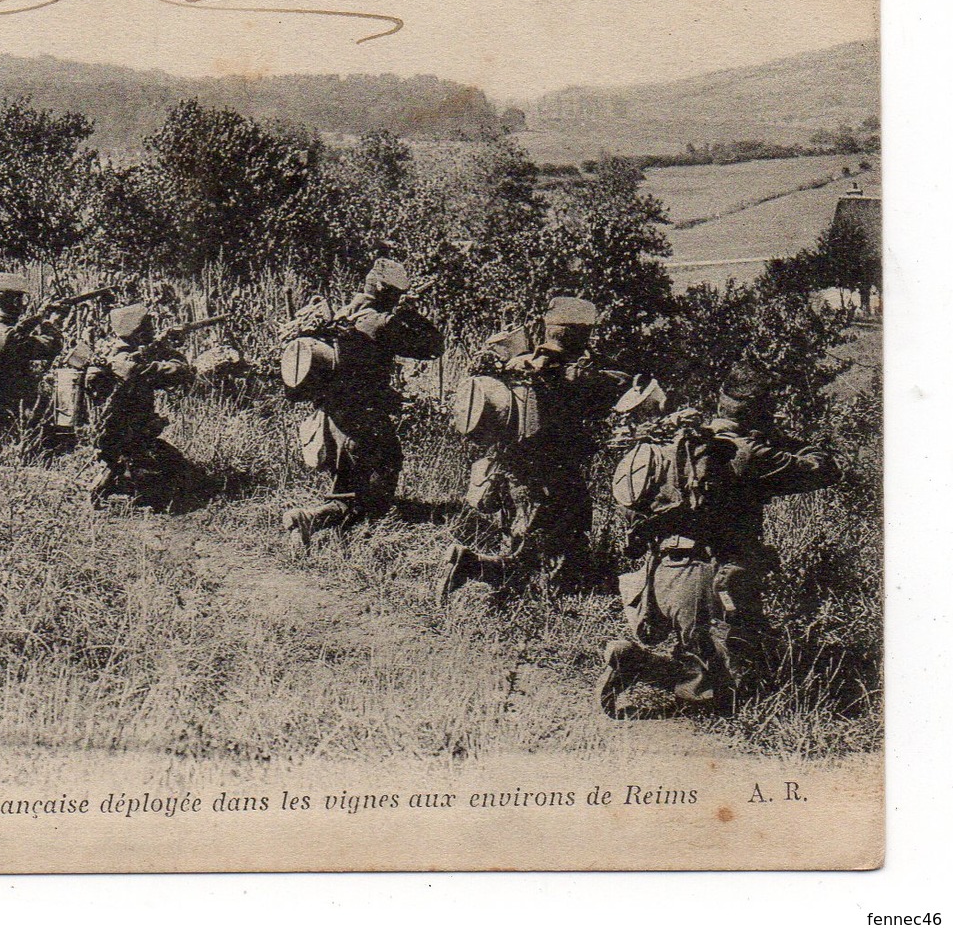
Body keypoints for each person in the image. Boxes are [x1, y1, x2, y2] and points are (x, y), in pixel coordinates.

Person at [597, 362, 840, 716]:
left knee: (720, 661)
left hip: (661, 574)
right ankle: (635, 662)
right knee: (726, 698)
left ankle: (654, 664)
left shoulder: (680, 440)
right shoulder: (747, 453)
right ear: (762, 412)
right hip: (710, 579)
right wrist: (784, 440)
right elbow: (824, 469)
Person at [440, 296, 631, 597]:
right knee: (545, 565)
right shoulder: (570, 375)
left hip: (513, 474)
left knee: (530, 547)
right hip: (552, 482)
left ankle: (486, 572)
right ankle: (471, 565)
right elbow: (621, 386)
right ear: (578, 335)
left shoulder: (518, 366)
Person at [280, 259, 444, 546]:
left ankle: (320, 530)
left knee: (348, 489)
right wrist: (410, 315)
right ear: (385, 290)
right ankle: (313, 520)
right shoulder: (380, 322)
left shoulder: (344, 315)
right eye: (395, 294)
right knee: (375, 494)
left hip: (333, 419)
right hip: (366, 420)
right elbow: (433, 347)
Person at [87, 303, 196, 507]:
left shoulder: (115, 351)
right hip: (125, 438)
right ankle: (116, 477)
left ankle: (118, 473)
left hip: (124, 435)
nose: (153, 330)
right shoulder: (127, 362)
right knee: (176, 484)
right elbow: (178, 373)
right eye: (148, 327)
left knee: (181, 471)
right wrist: (167, 350)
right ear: (138, 331)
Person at [0, 272, 63, 458]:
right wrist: (51, 322)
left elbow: (19, 329)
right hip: (13, 399)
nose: (23, 304)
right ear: (14, 302)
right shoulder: (7, 336)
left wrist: (39, 316)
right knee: (16, 438)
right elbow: (49, 346)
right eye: (20, 299)